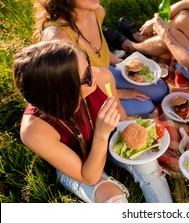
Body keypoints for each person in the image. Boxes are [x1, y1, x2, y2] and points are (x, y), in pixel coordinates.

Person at [13, 41, 173, 203]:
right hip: (78, 164)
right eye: (87, 77)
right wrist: (101, 134)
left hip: (109, 142)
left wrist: (133, 130)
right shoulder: (34, 131)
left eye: (88, 64)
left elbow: (121, 115)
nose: (96, 73)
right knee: (113, 198)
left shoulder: (102, 77)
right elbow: (88, 177)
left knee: (149, 165)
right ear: (66, 94)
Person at [32, 0, 168, 116]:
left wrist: (122, 64)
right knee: (147, 106)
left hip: (106, 75)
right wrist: (118, 95)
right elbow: (74, 94)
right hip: (88, 94)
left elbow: (99, 48)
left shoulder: (96, 11)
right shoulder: (58, 40)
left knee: (161, 90)